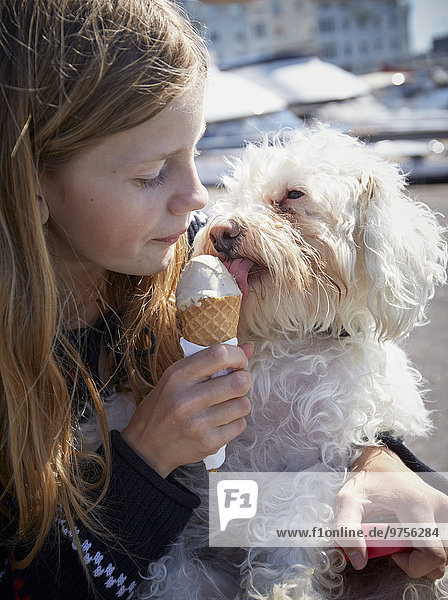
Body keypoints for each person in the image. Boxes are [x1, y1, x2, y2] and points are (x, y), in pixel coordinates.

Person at [0, 1, 446, 598]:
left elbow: (259, 483)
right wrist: (148, 456)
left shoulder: (194, 261)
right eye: (151, 172)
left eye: (196, 153)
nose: (198, 199)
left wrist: (376, 464)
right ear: (32, 180)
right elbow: (30, 585)